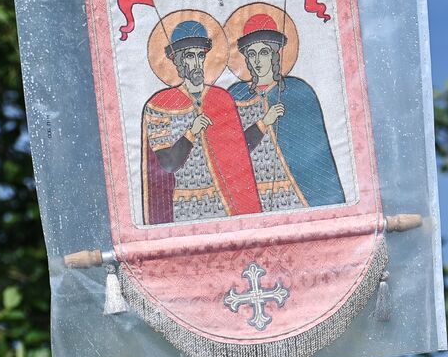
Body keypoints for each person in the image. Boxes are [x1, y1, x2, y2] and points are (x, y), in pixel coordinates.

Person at [141, 20, 262, 224]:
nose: (196, 63)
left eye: (200, 55)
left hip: (228, 203)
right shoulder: (160, 104)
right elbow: (168, 164)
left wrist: (262, 125)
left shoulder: (220, 98)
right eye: (189, 56)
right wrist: (191, 133)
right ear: (177, 61)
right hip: (189, 203)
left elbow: (237, 153)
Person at [227, 12, 346, 212]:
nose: (257, 61)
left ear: (276, 55)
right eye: (251, 53)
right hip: (250, 193)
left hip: (295, 194)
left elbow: (314, 153)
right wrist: (264, 123)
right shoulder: (236, 96)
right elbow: (231, 152)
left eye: (264, 52)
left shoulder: (297, 91)